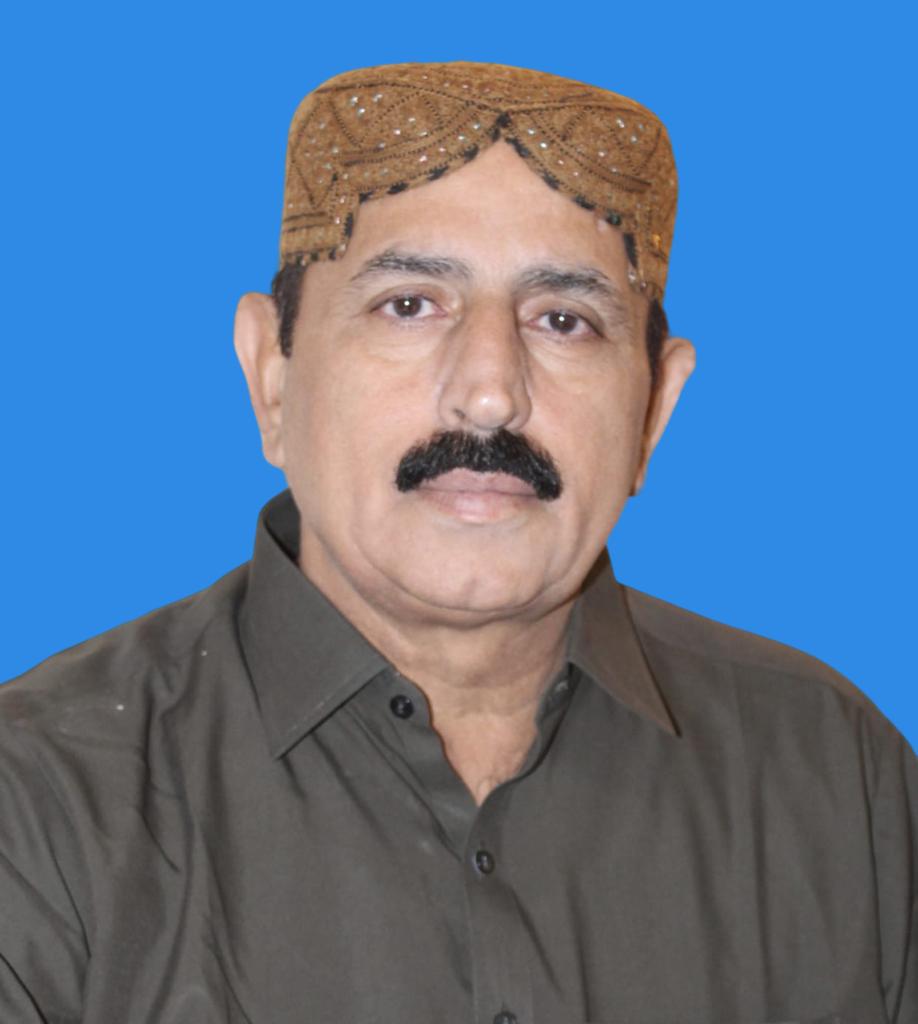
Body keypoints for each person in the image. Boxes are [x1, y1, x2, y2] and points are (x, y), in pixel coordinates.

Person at [0, 61, 914, 1024]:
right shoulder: (43, 800)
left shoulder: (839, 784)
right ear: (273, 375)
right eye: (409, 304)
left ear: (654, 411)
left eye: (563, 321)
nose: (489, 392)